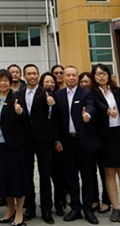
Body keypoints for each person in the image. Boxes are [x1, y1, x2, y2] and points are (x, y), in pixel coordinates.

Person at [53, 66, 100, 225]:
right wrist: (57, 140)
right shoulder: (58, 95)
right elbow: (56, 120)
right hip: (66, 143)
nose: (71, 78)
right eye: (68, 75)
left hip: (84, 142)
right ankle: (75, 208)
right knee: (71, 177)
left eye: (74, 75)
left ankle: (88, 209)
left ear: (77, 77)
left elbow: (91, 107)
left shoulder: (86, 93)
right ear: (64, 77)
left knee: (87, 177)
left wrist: (88, 115)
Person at [91, 64, 120, 224]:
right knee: (109, 173)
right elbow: (97, 108)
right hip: (104, 137)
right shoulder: (93, 94)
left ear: (108, 75)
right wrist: (108, 112)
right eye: (98, 74)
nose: (101, 76)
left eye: (104, 73)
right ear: (94, 77)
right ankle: (115, 207)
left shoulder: (118, 92)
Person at [0, 69, 29, 226]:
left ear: (10, 83)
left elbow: (25, 119)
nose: (2, 83)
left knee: (17, 179)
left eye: (5, 80)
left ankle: (19, 212)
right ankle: (10, 210)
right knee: (4, 180)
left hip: (14, 145)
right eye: (0, 80)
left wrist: (19, 112)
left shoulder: (17, 97)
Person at [20, 64, 57, 224]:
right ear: (24, 76)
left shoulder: (46, 92)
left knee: (45, 175)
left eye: (34, 73)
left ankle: (46, 209)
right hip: (26, 140)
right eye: (29, 74)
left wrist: (51, 105)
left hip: (43, 139)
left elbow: (53, 112)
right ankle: (30, 207)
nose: (32, 76)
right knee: (27, 175)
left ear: (38, 75)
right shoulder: (19, 93)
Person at [78, 72, 109, 216]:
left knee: (104, 172)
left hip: (102, 140)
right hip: (87, 141)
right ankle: (94, 199)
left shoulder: (98, 96)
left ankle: (106, 200)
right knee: (90, 173)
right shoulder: (80, 97)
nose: (84, 84)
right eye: (82, 82)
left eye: (87, 81)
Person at [48, 64, 67, 216]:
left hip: (59, 140)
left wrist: (57, 139)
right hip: (43, 141)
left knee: (59, 174)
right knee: (46, 174)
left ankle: (60, 202)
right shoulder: (39, 97)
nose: (50, 84)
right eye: (46, 82)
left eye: (52, 82)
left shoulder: (60, 96)